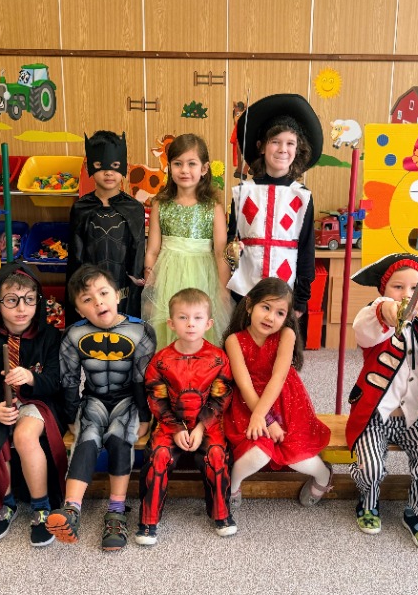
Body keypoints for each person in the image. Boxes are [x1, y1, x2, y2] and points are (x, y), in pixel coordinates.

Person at [345, 254, 418, 548]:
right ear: (384, 290)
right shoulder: (377, 319)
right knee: (370, 467)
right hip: (374, 416)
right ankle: (368, 503)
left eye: (414, 288)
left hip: (412, 418)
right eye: (398, 287)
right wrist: (387, 309)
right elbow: (363, 328)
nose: (407, 294)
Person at [49, 265, 156, 552]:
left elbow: (142, 379)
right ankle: (71, 510)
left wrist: (144, 416)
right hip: (93, 399)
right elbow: (69, 380)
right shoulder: (73, 334)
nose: (98, 302)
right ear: (79, 310)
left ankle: (116, 513)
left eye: (104, 293)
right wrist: (71, 415)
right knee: (86, 440)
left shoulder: (141, 330)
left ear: (117, 295)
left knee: (120, 441)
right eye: (88, 299)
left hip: (128, 400)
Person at [0, 263, 67, 546]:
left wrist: (31, 377)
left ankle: (41, 507)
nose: (21, 308)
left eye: (29, 299)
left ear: (38, 301)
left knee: (24, 436)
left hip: (38, 401)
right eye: (12, 300)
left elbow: (56, 381)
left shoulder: (50, 337)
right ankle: (6, 502)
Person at [223, 278, 332, 513]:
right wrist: (264, 419)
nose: (271, 317)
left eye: (280, 313)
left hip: (285, 402)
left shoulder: (286, 335)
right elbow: (244, 384)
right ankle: (233, 485)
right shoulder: (234, 340)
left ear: (286, 317)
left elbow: (278, 378)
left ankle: (324, 475)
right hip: (249, 403)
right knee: (257, 454)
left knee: (297, 456)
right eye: (266, 307)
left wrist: (268, 418)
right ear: (249, 305)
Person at [137, 288, 235, 544]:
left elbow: (220, 397)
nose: (190, 323)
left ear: (208, 323)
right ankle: (148, 520)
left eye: (197, 318)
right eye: (183, 317)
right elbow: (156, 399)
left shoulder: (218, 358)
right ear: (171, 323)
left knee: (217, 454)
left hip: (208, 424)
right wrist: (177, 428)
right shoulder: (160, 361)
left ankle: (221, 514)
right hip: (170, 423)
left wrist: (201, 427)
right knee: (158, 455)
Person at [227, 93, 322, 336]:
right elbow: (231, 241)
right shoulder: (243, 192)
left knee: (280, 349)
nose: (283, 149)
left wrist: (301, 298)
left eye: (290, 143)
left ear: (297, 149)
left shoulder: (301, 196)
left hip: (284, 291)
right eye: (275, 142)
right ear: (261, 146)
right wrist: (231, 257)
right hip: (246, 290)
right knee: (244, 346)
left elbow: (306, 249)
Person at [142, 133, 232, 348]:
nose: (184, 170)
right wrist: (151, 284)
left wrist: (223, 288)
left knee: (198, 322)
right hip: (168, 273)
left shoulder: (213, 208)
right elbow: (152, 250)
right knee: (170, 322)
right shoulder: (160, 205)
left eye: (192, 164)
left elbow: (220, 252)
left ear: (204, 168)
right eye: (177, 163)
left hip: (203, 274)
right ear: (169, 167)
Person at [67, 130, 146, 322]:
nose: (109, 172)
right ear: (90, 167)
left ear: (124, 167)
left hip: (124, 291)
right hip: (90, 290)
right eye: (99, 166)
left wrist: (137, 280)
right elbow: (75, 255)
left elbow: (138, 248)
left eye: (115, 166)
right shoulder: (81, 208)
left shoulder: (134, 208)